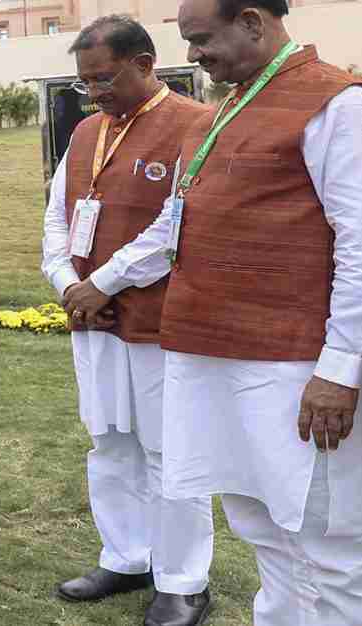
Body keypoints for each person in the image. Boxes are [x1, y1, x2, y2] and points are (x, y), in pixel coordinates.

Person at [69, 1, 362, 623]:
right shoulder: (228, 106)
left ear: (253, 22)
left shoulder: (338, 104)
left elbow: (359, 244)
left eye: (202, 39)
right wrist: (104, 279)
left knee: (329, 545)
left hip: (295, 368)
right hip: (212, 360)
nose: (194, 54)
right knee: (258, 524)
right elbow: (178, 223)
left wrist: (341, 368)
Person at [45, 16, 215, 626]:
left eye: (104, 78)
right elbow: (56, 216)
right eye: (85, 81)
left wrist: (103, 282)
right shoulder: (88, 130)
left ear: (144, 63)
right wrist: (68, 283)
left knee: (172, 451)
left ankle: (183, 580)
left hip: (158, 321)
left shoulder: (196, 126)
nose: (93, 92)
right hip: (92, 321)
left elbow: (180, 224)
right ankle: (125, 556)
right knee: (110, 443)